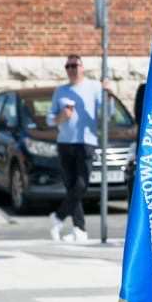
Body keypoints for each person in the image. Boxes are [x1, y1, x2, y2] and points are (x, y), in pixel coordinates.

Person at [48, 54, 104, 243]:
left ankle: (58, 216)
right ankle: (79, 229)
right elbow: (50, 118)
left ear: (82, 67)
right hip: (65, 143)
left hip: (87, 142)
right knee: (71, 186)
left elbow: (107, 113)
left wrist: (109, 96)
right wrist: (61, 117)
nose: (71, 69)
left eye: (75, 65)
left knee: (81, 184)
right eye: (68, 66)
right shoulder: (60, 92)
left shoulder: (94, 87)